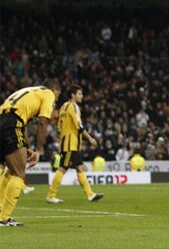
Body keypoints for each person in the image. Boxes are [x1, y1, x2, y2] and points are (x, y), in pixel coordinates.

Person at [0, 79, 61, 226]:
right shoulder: (48, 93)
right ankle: (4, 218)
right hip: (11, 124)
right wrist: (39, 150)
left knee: (9, 169)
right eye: (57, 97)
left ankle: (1, 213)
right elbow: (43, 122)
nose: (55, 101)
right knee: (19, 173)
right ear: (55, 90)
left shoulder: (30, 91)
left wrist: (25, 146)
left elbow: (22, 121)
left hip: (4, 120)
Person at [46, 84, 104, 203]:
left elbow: (59, 127)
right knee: (64, 168)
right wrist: (90, 139)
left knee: (78, 167)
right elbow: (79, 126)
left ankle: (90, 194)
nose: (81, 96)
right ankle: (51, 195)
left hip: (66, 142)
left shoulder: (63, 107)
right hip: (71, 144)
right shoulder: (74, 106)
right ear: (73, 95)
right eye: (79, 94)